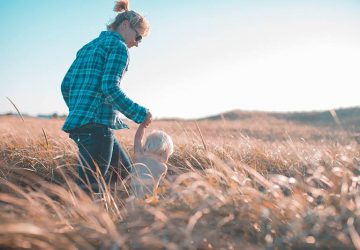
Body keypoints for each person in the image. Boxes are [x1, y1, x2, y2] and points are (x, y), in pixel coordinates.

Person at [61, 0, 152, 193]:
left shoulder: (88, 47)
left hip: (82, 124)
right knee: (89, 188)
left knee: (124, 174)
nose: (137, 44)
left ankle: (120, 218)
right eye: (139, 38)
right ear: (126, 25)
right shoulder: (119, 48)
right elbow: (109, 88)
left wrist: (80, 110)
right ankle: (78, 220)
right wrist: (140, 113)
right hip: (97, 127)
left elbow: (66, 85)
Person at [131, 123, 174, 198]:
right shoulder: (162, 167)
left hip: (132, 198)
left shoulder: (139, 157)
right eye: (168, 154)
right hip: (149, 199)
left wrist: (143, 126)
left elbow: (137, 139)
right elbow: (161, 186)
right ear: (164, 152)